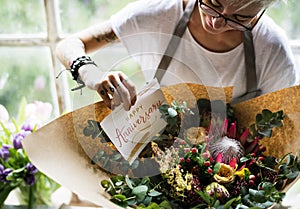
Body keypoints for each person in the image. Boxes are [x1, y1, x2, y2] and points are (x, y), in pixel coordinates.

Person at [56, 0, 299, 110]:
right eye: (213, 2)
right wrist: (90, 72)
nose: (216, 21)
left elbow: (280, 134)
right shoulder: (157, 14)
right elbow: (69, 44)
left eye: (238, 18)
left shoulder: (271, 50)